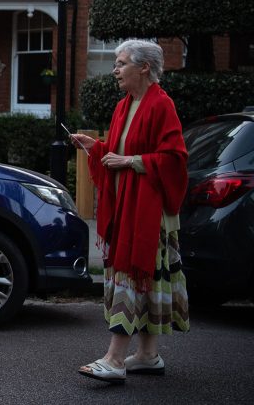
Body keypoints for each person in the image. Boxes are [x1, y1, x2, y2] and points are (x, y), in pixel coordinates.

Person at [71, 40, 189, 384]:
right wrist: (97, 148)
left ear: (144, 68)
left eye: (121, 63)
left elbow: (175, 159)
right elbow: (120, 152)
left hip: (150, 217)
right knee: (146, 282)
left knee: (132, 278)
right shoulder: (125, 105)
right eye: (115, 64)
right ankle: (148, 356)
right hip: (129, 208)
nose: (115, 70)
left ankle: (115, 358)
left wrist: (130, 161)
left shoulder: (161, 105)